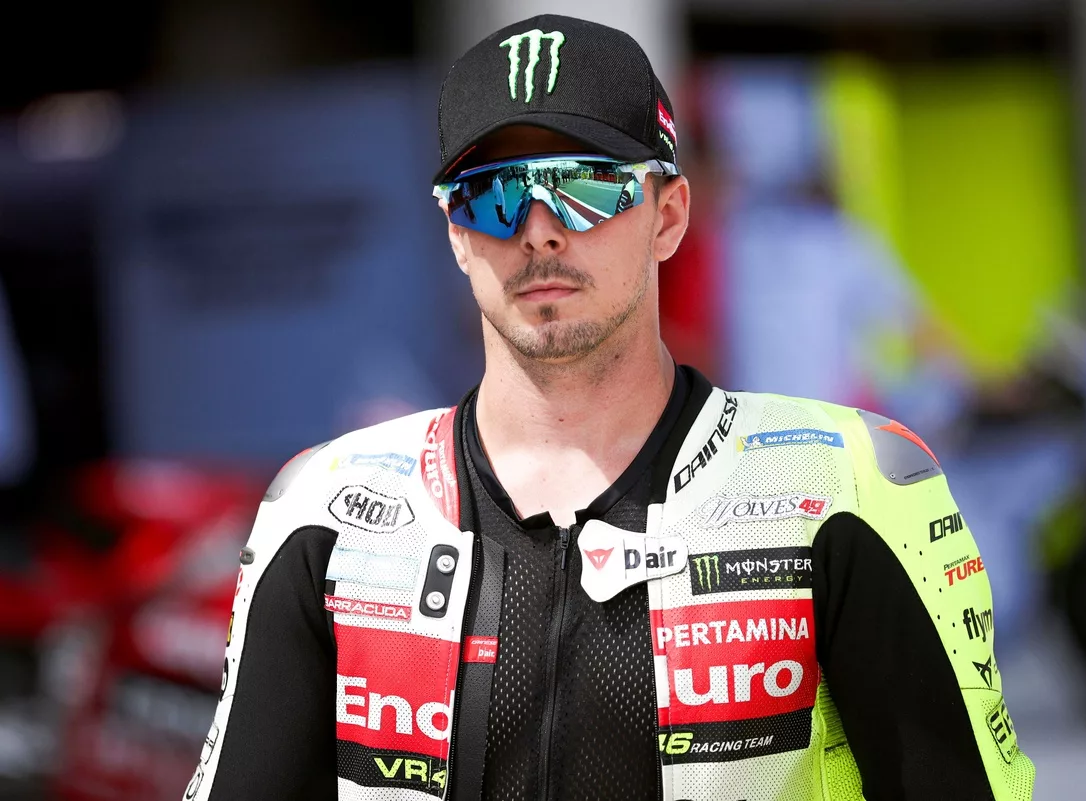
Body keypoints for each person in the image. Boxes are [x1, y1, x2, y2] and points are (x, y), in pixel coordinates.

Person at [186, 15, 1034, 801]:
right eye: (493, 193)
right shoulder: (326, 513)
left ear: (668, 216)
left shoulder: (842, 488)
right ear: (455, 234)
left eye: (586, 185)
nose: (539, 229)